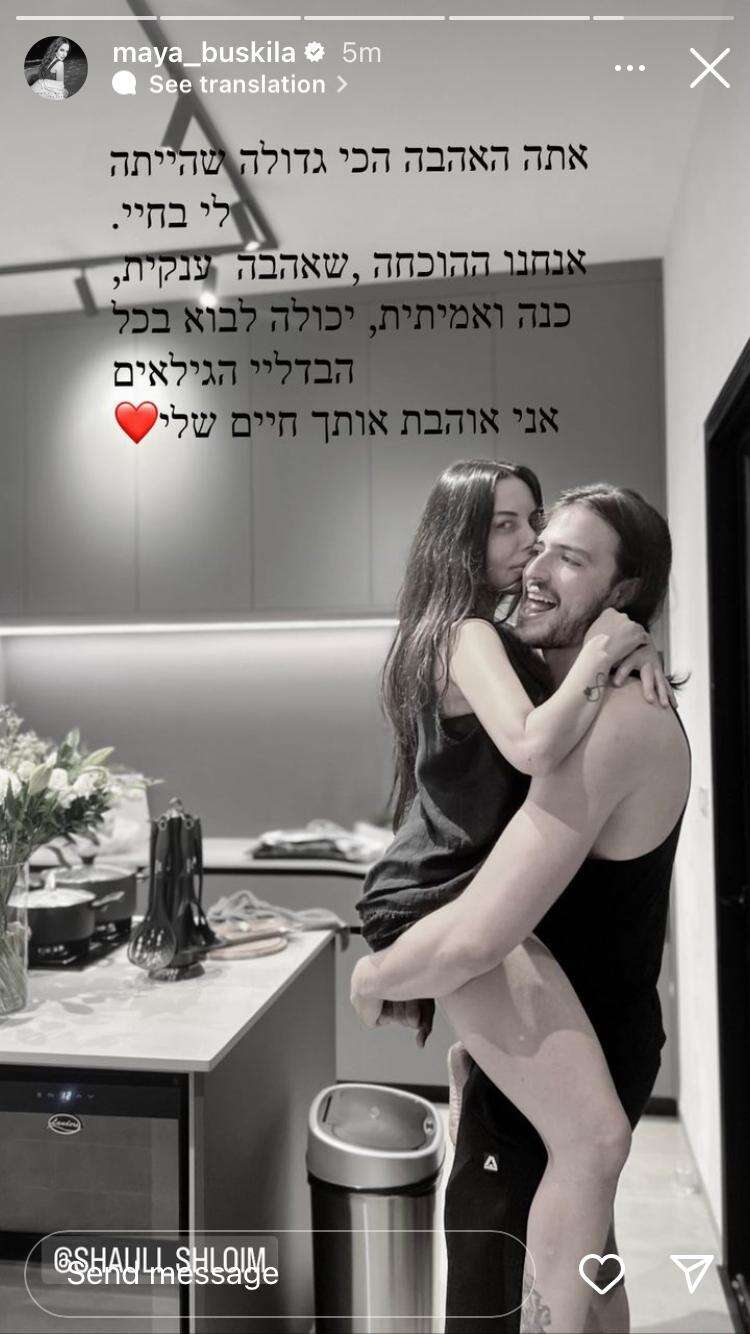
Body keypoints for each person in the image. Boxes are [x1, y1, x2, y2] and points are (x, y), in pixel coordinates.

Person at [352, 480, 689, 1333]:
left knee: (504, 1282)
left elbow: (482, 932)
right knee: (587, 1267)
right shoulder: (532, 669)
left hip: (565, 1031)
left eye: (565, 555)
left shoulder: (613, 719)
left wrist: (378, 976)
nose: (534, 563)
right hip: (558, 1027)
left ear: (622, 591)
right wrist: (619, 644)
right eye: (531, 541)